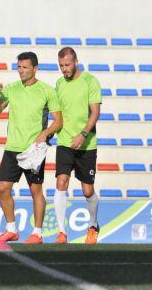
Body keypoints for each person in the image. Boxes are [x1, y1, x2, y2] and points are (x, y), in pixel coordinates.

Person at [0, 52, 62, 244]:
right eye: (19, 67)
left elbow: (58, 121)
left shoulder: (47, 91)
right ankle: (11, 229)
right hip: (12, 147)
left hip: (34, 150)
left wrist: (44, 135)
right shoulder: (11, 89)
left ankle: (37, 233)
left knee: (35, 190)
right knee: (3, 188)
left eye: (24, 67)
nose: (20, 71)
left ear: (35, 68)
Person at [53, 47, 102, 244]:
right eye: (61, 66)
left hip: (86, 144)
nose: (64, 69)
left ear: (75, 62)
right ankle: (62, 232)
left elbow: (95, 113)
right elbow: (58, 112)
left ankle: (93, 225)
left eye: (67, 65)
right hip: (64, 141)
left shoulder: (90, 81)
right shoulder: (59, 83)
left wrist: (83, 134)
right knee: (61, 183)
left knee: (87, 191)